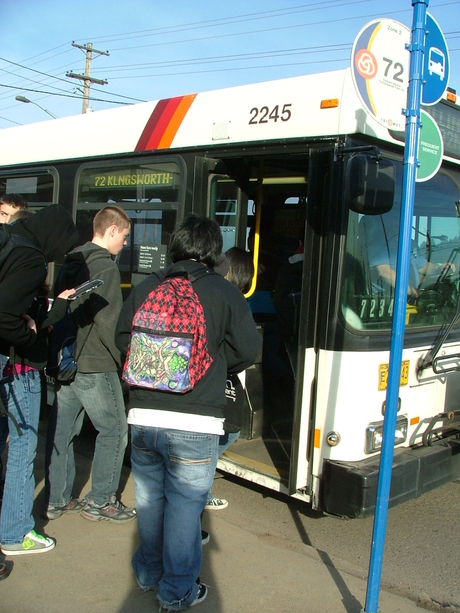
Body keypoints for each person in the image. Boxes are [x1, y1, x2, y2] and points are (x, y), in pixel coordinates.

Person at [115, 214, 261, 610]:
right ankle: (177, 590)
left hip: (143, 416)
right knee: (184, 506)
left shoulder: (149, 285)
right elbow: (249, 350)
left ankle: (148, 573)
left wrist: (157, 366)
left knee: (148, 498)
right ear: (214, 252)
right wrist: (207, 362)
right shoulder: (223, 292)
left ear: (175, 247)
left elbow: (121, 337)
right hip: (195, 420)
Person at [44, 206, 135, 524]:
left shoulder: (69, 262)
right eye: (124, 236)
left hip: (66, 362)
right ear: (111, 231)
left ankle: (57, 499)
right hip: (96, 363)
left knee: (62, 432)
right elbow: (109, 324)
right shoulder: (106, 269)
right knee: (114, 430)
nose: (124, 244)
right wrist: (123, 363)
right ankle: (102, 501)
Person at [0, 204, 79, 556]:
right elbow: (4, 316)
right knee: (22, 449)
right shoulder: (30, 259)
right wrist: (31, 337)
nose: (59, 254)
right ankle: (16, 533)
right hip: (17, 366)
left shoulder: (10, 243)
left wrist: (53, 307)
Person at [205, 246, 255, 511]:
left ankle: (202, 481)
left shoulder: (214, 292)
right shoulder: (235, 300)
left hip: (215, 373)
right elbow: (246, 347)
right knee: (228, 431)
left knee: (221, 431)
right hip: (224, 376)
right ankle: (202, 486)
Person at [273, 232, 304, 375]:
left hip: (290, 331)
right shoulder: (322, 268)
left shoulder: (286, 269)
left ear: (300, 244)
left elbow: (277, 300)